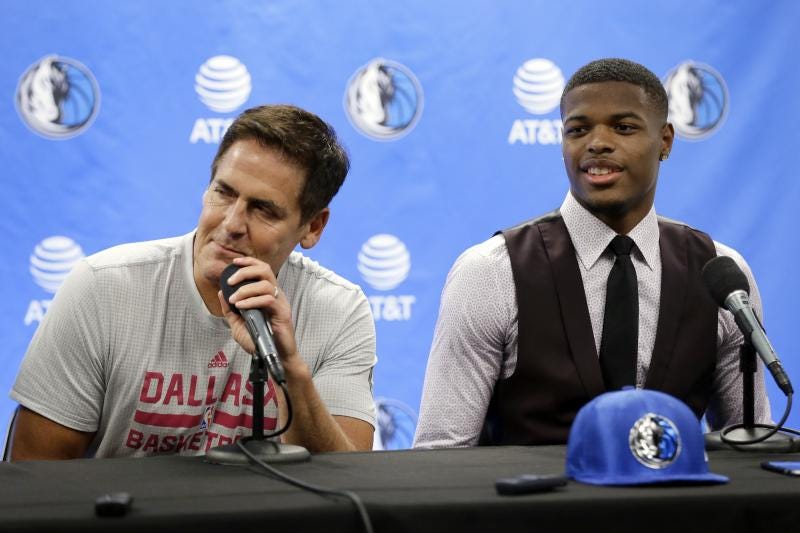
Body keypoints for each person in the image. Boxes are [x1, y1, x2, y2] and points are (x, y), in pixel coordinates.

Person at [413, 58, 771, 448]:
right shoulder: (492, 271)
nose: (597, 143)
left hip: (676, 490)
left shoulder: (719, 274)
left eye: (623, 127)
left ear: (665, 140)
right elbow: (441, 454)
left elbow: (750, 445)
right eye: (578, 129)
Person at [9, 104, 377, 459]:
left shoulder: (339, 311)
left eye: (263, 209)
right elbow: (34, 475)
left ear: (313, 227)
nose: (231, 224)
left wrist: (289, 366)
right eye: (224, 193)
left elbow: (347, 478)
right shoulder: (103, 288)